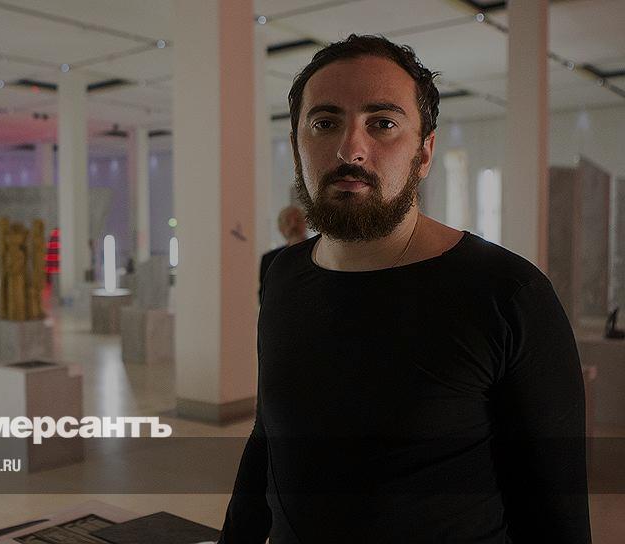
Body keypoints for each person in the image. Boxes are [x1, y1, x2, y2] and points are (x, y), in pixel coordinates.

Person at [219, 35, 589, 542]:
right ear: (296, 146)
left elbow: (556, 517)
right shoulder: (284, 274)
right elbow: (268, 438)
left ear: (425, 152)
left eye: (383, 123)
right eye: (325, 123)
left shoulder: (508, 294)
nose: (350, 149)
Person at [259, 206, 307, 303]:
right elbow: (264, 295)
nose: (293, 225)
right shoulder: (269, 259)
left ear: (305, 224)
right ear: (281, 228)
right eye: (288, 222)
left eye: (297, 220)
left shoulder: (319, 252)